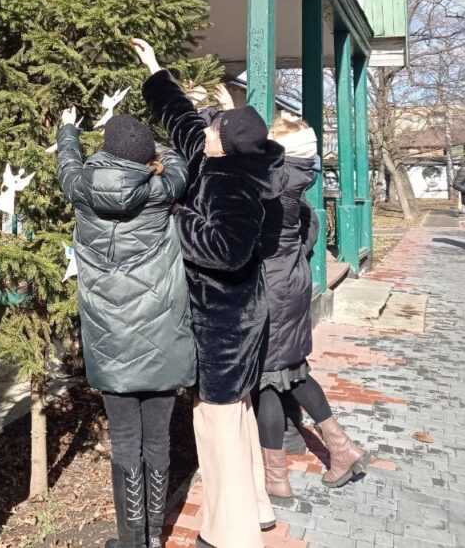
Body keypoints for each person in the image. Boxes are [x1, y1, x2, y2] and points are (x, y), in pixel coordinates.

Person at [134, 38, 283, 548]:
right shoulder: (218, 159)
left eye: (214, 126)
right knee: (236, 413)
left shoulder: (234, 185)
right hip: (235, 316)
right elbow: (182, 121)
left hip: (225, 323)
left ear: (227, 144)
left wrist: (174, 219)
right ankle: (257, 507)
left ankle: (228, 533)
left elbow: (227, 249)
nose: (206, 127)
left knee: (216, 425)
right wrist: (155, 70)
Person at [56, 108, 196, 548]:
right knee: (158, 439)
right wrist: (159, 152)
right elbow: (179, 163)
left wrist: (68, 127)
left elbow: (66, 161)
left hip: (109, 339)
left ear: (106, 151)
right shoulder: (162, 190)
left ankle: (131, 539)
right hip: (162, 337)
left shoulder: (80, 188)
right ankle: (154, 537)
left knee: (125, 440)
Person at [255, 118, 368, 504]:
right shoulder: (301, 180)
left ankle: (276, 479)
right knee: (294, 369)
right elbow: (308, 235)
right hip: (294, 283)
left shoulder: (273, 183)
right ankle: (341, 446)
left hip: (271, 287)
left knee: (266, 380)